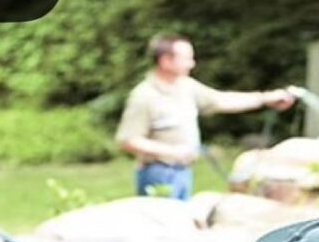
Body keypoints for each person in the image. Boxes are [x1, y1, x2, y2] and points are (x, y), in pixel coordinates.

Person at [116, 34, 295, 200]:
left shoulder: (186, 86)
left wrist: (266, 99)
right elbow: (128, 140)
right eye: (186, 59)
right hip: (158, 173)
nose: (192, 64)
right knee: (160, 230)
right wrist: (172, 152)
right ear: (166, 61)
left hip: (183, 172)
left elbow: (221, 100)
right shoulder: (144, 96)